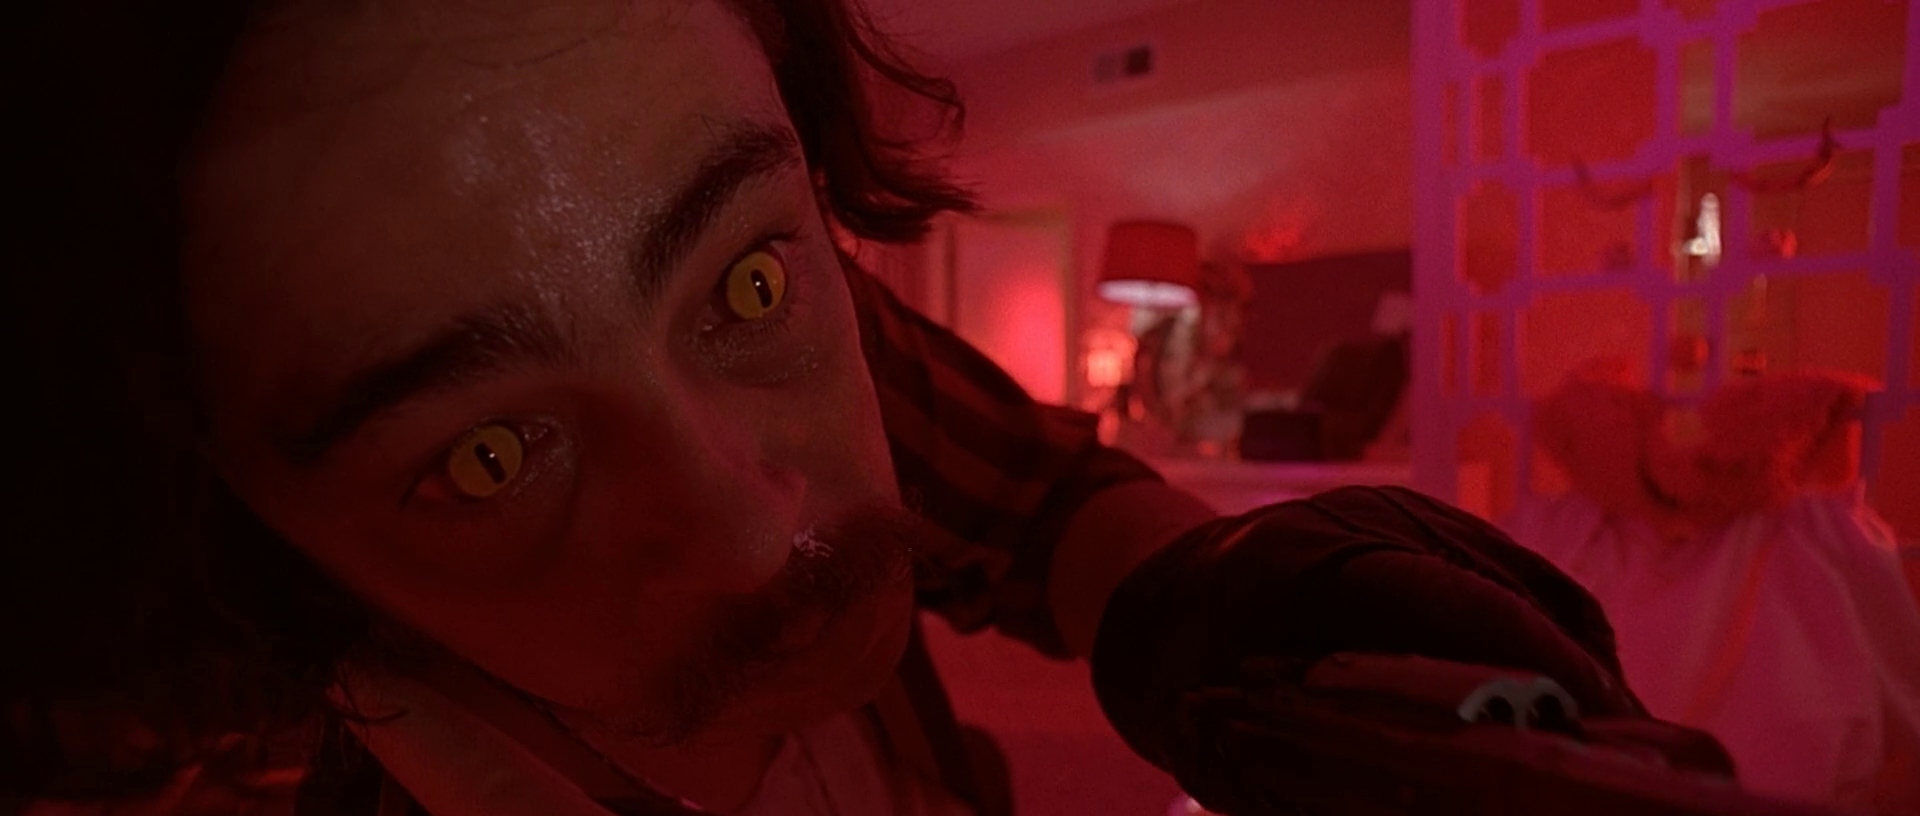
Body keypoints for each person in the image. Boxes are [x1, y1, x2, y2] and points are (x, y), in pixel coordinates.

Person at [4, 1, 1657, 814]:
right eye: (490, 456)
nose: (755, 528)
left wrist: (1216, 605)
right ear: (227, 515)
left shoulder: (843, 335)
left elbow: (1046, 509)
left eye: (739, 280)